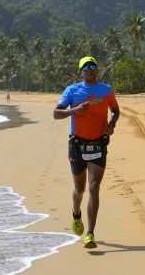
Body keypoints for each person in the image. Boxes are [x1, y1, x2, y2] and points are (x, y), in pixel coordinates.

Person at [53, 56, 120, 248]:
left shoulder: (106, 90)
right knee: (80, 189)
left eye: (93, 68)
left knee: (94, 187)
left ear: (97, 71)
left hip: (99, 143)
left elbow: (116, 111)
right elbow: (56, 113)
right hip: (77, 144)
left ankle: (90, 233)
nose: (90, 71)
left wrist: (111, 124)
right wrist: (74, 110)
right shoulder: (72, 91)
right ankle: (76, 213)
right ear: (81, 71)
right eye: (86, 68)